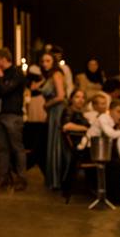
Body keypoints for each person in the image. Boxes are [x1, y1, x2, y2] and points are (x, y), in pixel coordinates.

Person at [0, 48, 28, 190]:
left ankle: (21, 179)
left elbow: (5, 90)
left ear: (3, 59)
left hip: (12, 114)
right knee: (2, 148)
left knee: (17, 148)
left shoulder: (16, 73)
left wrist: (0, 78)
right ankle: (3, 177)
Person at [40, 52, 68, 190]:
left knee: (56, 143)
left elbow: (61, 96)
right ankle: (54, 178)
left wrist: (47, 105)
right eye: (43, 61)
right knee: (53, 142)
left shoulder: (56, 74)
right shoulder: (50, 75)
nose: (45, 63)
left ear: (53, 62)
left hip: (57, 110)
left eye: (48, 60)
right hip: (53, 111)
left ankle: (57, 179)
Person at [60, 88, 92, 202]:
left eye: (83, 97)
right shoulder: (69, 110)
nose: (80, 100)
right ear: (71, 99)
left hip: (82, 145)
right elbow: (66, 126)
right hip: (78, 148)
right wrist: (85, 128)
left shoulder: (79, 112)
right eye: (77, 97)